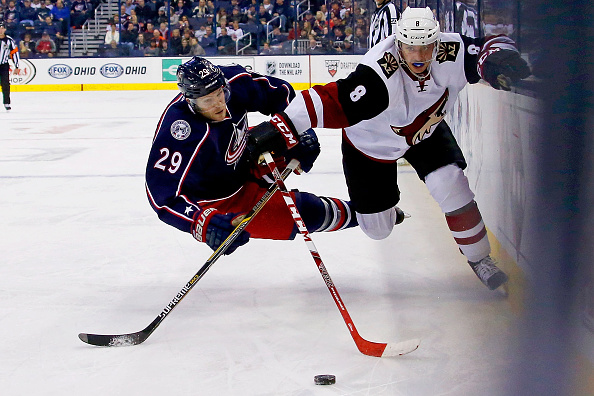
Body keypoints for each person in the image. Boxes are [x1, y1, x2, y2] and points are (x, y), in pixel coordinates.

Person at [244, 7, 531, 291]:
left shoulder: (450, 50)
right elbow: (328, 100)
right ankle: (380, 213)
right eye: (410, 47)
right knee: (378, 230)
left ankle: (479, 258)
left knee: (452, 185)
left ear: (437, 41)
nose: (418, 57)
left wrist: (498, 57)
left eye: (426, 46)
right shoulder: (378, 73)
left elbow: (488, 47)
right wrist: (279, 128)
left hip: (424, 132)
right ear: (398, 42)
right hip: (370, 146)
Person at [145, 57, 372, 255]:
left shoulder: (234, 80)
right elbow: (161, 197)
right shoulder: (179, 132)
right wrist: (203, 223)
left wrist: (300, 131)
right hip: (224, 200)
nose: (219, 105)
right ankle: (362, 216)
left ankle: (373, 211)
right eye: (208, 101)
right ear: (191, 101)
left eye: (220, 94)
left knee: (300, 141)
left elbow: (279, 94)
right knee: (307, 212)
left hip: (249, 153)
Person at [0, 22, 19, 111]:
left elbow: (14, 53)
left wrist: (17, 66)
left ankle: (6, 102)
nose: (0, 30)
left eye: (2, 28)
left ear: (5, 29)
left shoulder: (9, 40)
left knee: (5, 84)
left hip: (4, 65)